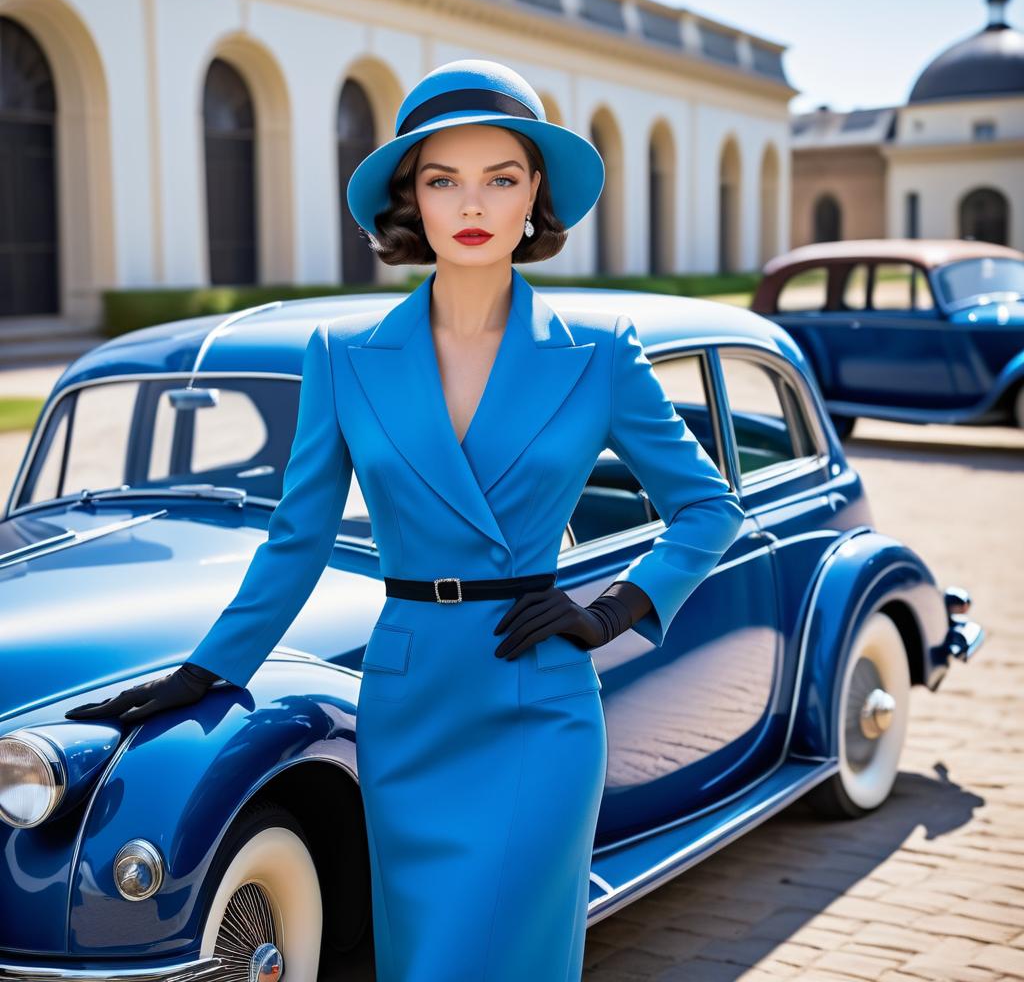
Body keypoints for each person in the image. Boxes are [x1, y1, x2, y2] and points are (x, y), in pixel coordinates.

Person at [67, 59, 746, 980]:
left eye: (501, 179)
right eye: (443, 180)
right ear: (411, 200)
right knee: (423, 957)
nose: (473, 204)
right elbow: (297, 541)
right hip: (410, 696)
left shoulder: (599, 355)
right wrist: (205, 670)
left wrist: (616, 609)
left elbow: (709, 508)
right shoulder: (345, 356)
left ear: (534, 196)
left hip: (538, 698)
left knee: (517, 955)